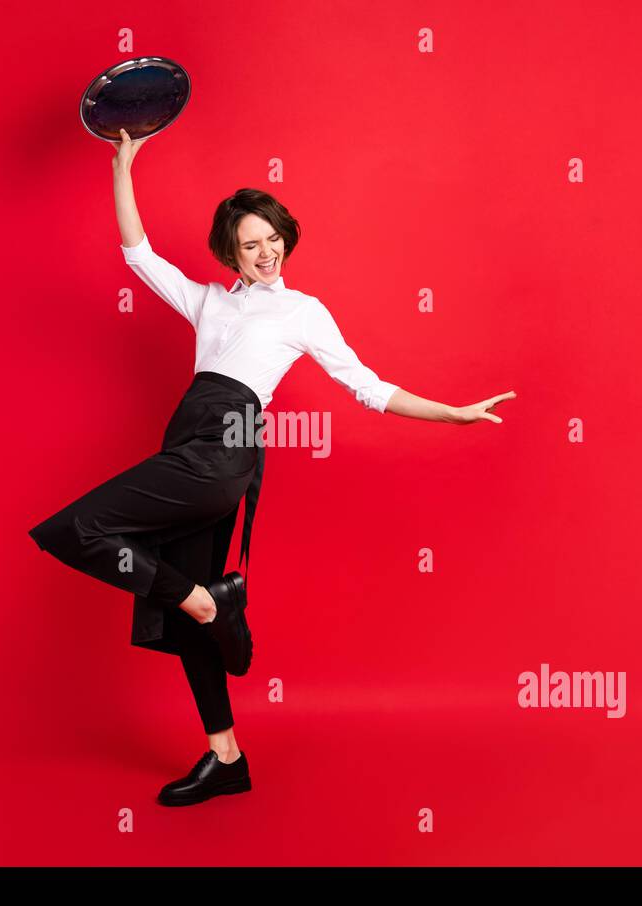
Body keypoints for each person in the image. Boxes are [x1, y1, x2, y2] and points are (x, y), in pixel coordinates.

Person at [28, 127, 517, 807]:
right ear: (231, 251)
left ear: (286, 238)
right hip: (187, 440)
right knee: (186, 620)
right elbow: (138, 255)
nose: (266, 251)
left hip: (224, 447)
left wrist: (454, 413)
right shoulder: (209, 303)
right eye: (251, 243)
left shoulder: (302, 311)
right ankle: (225, 756)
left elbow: (369, 387)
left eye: (273, 237)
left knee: (75, 530)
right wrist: (122, 166)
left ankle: (205, 598)